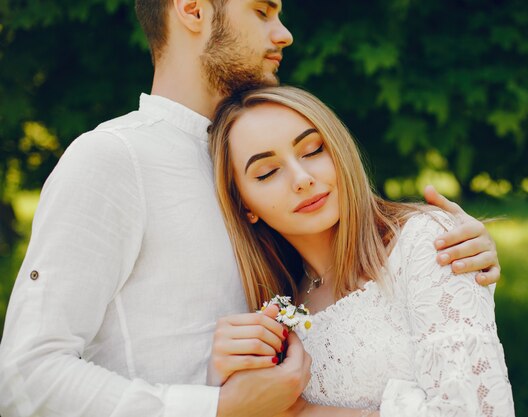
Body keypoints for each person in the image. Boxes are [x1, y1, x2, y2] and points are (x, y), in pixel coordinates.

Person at [0, 1, 501, 416]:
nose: (283, 34)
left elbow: (351, 281)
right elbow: (26, 376)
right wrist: (214, 409)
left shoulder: (258, 147)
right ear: (193, 9)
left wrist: (446, 256)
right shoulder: (114, 158)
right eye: (263, 11)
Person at [207, 85, 515, 416]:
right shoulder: (279, 316)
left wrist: (302, 412)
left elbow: (478, 410)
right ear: (245, 206)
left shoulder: (426, 244)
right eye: (267, 172)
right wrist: (218, 381)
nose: (302, 178)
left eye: (312, 150)